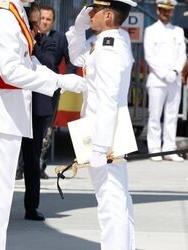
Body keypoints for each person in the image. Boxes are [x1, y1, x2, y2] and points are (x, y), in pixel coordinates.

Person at [0, 0, 86, 249]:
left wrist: (62, 80)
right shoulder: (1, 16)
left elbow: (29, 63)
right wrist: (56, 83)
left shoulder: (15, 12)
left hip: (5, 111)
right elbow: (10, 71)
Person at [66, 0, 137, 249]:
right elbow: (78, 58)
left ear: (108, 15)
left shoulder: (109, 48)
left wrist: (100, 147)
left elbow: (107, 100)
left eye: (95, 10)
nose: (90, 13)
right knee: (117, 200)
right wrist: (77, 30)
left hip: (105, 135)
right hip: (106, 133)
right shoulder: (110, 41)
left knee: (110, 205)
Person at [19, 5, 58, 221]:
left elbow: (50, 63)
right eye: (37, 20)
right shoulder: (17, 39)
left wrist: (34, 43)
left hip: (37, 108)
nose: (40, 24)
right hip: (16, 104)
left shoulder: (50, 41)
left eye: (44, 20)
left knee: (33, 160)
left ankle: (31, 206)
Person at [144, 0, 187, 162]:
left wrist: (175, 71)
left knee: (172, 115)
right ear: (157, 10)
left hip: (174, 79)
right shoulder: (151, 30)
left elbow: (182, 54)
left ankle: (169, 149)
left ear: (173, 11)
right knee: (155, 115)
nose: (165, 13)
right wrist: (164, 74)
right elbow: (149, 56)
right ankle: (154, 149)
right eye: (163, 10)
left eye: (168, 10)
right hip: (157, 79)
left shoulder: (178, 31)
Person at [38, 5, 77, 179]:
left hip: (50, 89)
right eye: (42, 18)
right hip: (28, 88)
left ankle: (39, 165)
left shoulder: (59, 38)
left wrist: (65, 81)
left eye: (48, 19)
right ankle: (20, 167)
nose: (44, 22)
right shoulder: (29, 34)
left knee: (46, 129)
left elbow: (72, 60)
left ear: (53, 22)